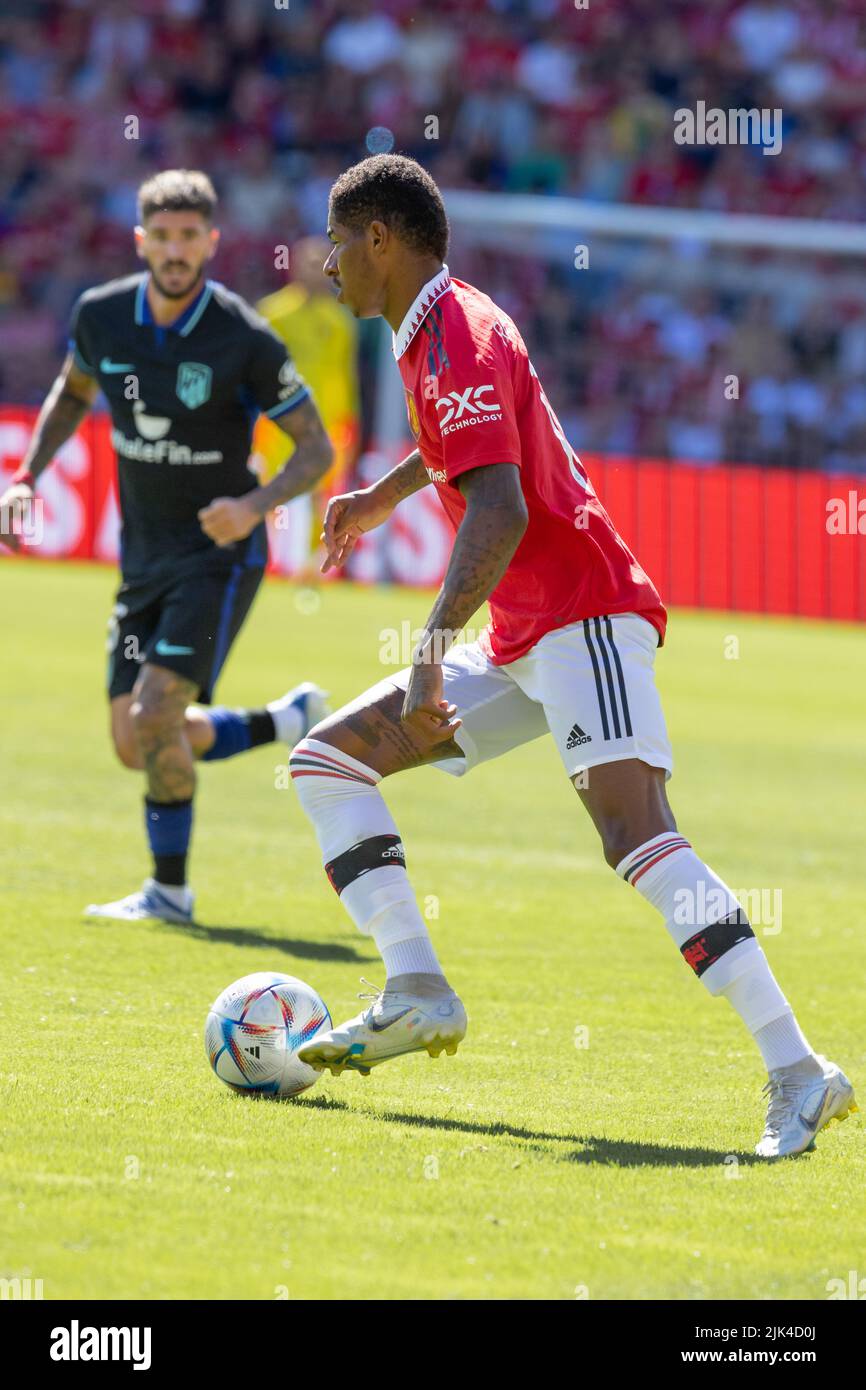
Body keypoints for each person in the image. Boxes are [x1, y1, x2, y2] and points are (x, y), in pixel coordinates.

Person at [287, 154, 855, 1160]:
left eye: (336, 243)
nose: (326, 264)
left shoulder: (453, 335)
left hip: (580, 614)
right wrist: (381, 495)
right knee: (327, 762)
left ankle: (796, 1071)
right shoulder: (437, 332)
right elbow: (468, 449)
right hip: (525, 634)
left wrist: (426, 652)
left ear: (380, 238)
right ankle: (416, 986)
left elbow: (499, 505)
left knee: (634, 835)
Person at [0, 169, 333, 925]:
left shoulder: (243, 337)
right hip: (142, 556)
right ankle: (283, 722)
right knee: (135, 742)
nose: (176, 250)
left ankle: (170, 893)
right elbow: (73, 393)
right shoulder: (102, 316)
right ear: (141, 240)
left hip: (217, 558)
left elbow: (315, 450)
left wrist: (254, 506)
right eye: (163, 236)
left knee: (154, 716)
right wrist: (24, 478)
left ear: (212, 242)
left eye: (190, 237)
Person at [252, 236, 360, 576]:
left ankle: (311, 567)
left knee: (318, 493)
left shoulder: (341, 321)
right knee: (272, 486)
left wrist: (351, 420)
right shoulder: (272, 313)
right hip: (278, 420)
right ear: (294, 266)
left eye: (320, 264)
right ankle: (265, 560)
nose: (315, 271)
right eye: (308, 263)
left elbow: (347, 375)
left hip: (326, 420)